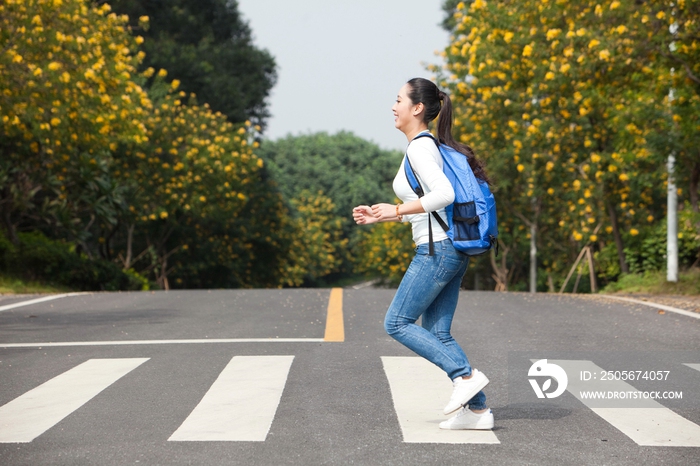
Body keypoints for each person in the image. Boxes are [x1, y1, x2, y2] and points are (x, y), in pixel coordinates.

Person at [352, 78, 493, 430]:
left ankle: (464, 377)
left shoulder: (420, 147)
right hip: (445, 248)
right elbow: (432, 208)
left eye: (398, 99)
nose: (393, 106)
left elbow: (443, 194)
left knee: (396, 322)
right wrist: (386, 214)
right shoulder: (423, 146)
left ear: (417, 108)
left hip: (437, 252)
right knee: (438, 332)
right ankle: (477, 411)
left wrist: (397, 211)